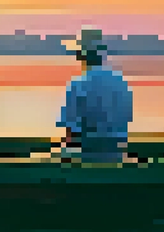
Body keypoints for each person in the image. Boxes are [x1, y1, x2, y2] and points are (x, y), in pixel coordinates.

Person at [57, 27, 134, 163]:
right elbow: (125, 121)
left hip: (87, 156)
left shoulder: (78, 85)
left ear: (80, 55)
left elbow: (71, 134)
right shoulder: (121, 83)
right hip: (116, 156)